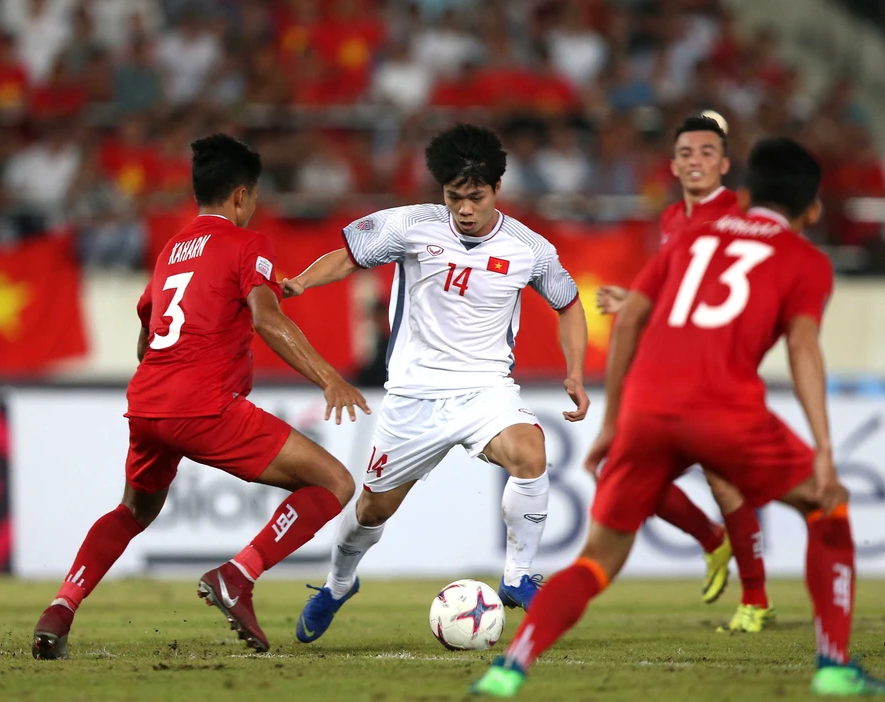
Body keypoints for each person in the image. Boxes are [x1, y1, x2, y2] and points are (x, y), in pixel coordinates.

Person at [472, 138, 885, 697]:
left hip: (647, 406)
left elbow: (630, 318)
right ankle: (833, 665)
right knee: (826, 504)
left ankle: (507, 670)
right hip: (725, 407)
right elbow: (803, 348)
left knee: (596, 561)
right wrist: (826, 451)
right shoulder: (806, 260)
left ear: (744, 195)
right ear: (813, 211)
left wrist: (614, 421)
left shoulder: (693, 236)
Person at [31, 134, 370, 659]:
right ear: (241, 196)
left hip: (147, 404)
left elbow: (146, 337)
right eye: (253, 196)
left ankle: (61, 607)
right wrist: (329, 378)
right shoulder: (247, 243)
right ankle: (239, 575)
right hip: (205, 405)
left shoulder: (171, 251)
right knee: (335, 482)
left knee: (132, 511)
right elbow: (266, 319)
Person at [281, 124, 590, 643]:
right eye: (453, 197)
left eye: (476, 197)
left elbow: (569, 303)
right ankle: (338, 584)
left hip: (485, 389)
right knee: (371, 510)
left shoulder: (529, 248)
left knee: (530, 452)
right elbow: (347, 257)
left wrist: (575, 371)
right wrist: (301, 281)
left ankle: (517, 577)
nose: (464, 209)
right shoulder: (410, 226)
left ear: (497, 188)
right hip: (413, 396)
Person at [598, 115, 772, 632]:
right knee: (624, 476)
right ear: (673, 166)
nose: (696, 162)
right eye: (686, 154)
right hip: (669, 370)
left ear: (724, 164)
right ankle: (713, 540)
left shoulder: (737, 215)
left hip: (717, 369)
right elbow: (677, 291)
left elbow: (718, 300)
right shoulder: (673, 217)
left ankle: (756, 600)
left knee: (723, 482)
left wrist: (639, 304)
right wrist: (638, 301)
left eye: (706, 153)